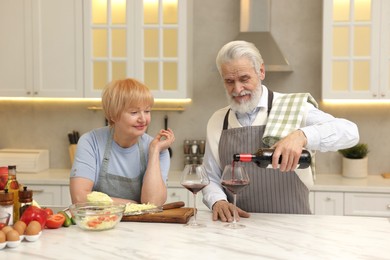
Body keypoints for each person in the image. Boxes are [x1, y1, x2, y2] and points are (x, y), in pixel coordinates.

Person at [201, 41, 359, 222]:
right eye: (229, 81)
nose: (237, 89)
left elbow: (350, 132)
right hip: (238, 227)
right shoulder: (217, 121)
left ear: (261, 71)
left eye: (244, 79)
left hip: (293, 226)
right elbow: (210, 176)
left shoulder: (293, 107)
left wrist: (302, 136)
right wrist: (217, 201)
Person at [70, 78, 175, 206]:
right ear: (113, 115)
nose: (143, 119)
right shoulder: (91, 142)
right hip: (99, 222)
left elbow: (152, 203)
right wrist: (130, 205)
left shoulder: (158, 148)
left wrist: (154, 152)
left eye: (147, 111)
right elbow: (79, 197)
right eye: (134, 112)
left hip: (144, 226)